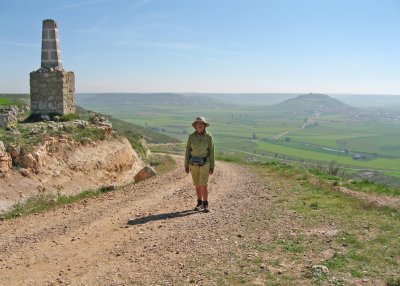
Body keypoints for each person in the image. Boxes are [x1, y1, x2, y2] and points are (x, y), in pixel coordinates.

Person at [184, 116, 215, 213]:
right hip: (193, 164)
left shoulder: (209, 137)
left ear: (204, 126)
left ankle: (206, 204)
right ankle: (199, 203)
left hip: (205, 163)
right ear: (195, 126)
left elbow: (212, 152)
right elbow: (187, 151)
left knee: (203, 184)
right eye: (198, 124)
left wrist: (212, 166)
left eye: (202, 124)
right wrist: (186, 165)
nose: (200, 125)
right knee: (197, 184)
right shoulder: (191, 137)